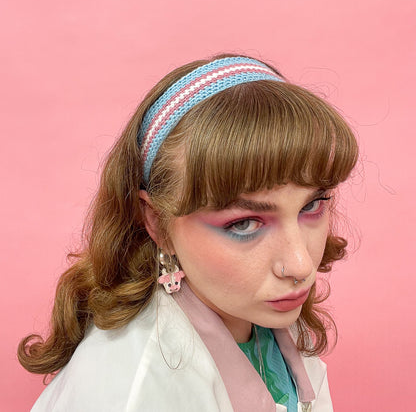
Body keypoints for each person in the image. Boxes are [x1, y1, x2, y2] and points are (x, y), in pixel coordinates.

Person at [19, 54, 358, 412]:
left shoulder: (261, 318)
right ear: (155, 222)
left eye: (312, 205)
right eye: (243, 223)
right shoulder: (135, 390)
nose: (300, 265)